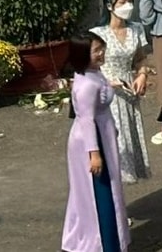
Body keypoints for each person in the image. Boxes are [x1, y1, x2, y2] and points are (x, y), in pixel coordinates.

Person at [62, 34, 129, 252]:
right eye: (96, 50)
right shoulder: (86, 85)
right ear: (83, 55)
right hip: (93, 139)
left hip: (101, 132)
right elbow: (87, 120)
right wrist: (94, 153)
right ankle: (104, 243)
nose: (101, 54)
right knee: (100, 192)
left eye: (102, 48)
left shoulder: (93, 73)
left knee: (106, 188)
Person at [90, 0, 153, 185]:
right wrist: (106, 81)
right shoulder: (98, 33)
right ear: (110, 6)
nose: (127, 6)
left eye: (129, 1)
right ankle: (116, 207)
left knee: (129, 140)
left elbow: (141, 58)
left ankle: (121, 204)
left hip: (128, 92)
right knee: (115, 145)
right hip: (106, 94)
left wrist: (142, 75)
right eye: (122, 2)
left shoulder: (136, 29)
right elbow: (89, 66)